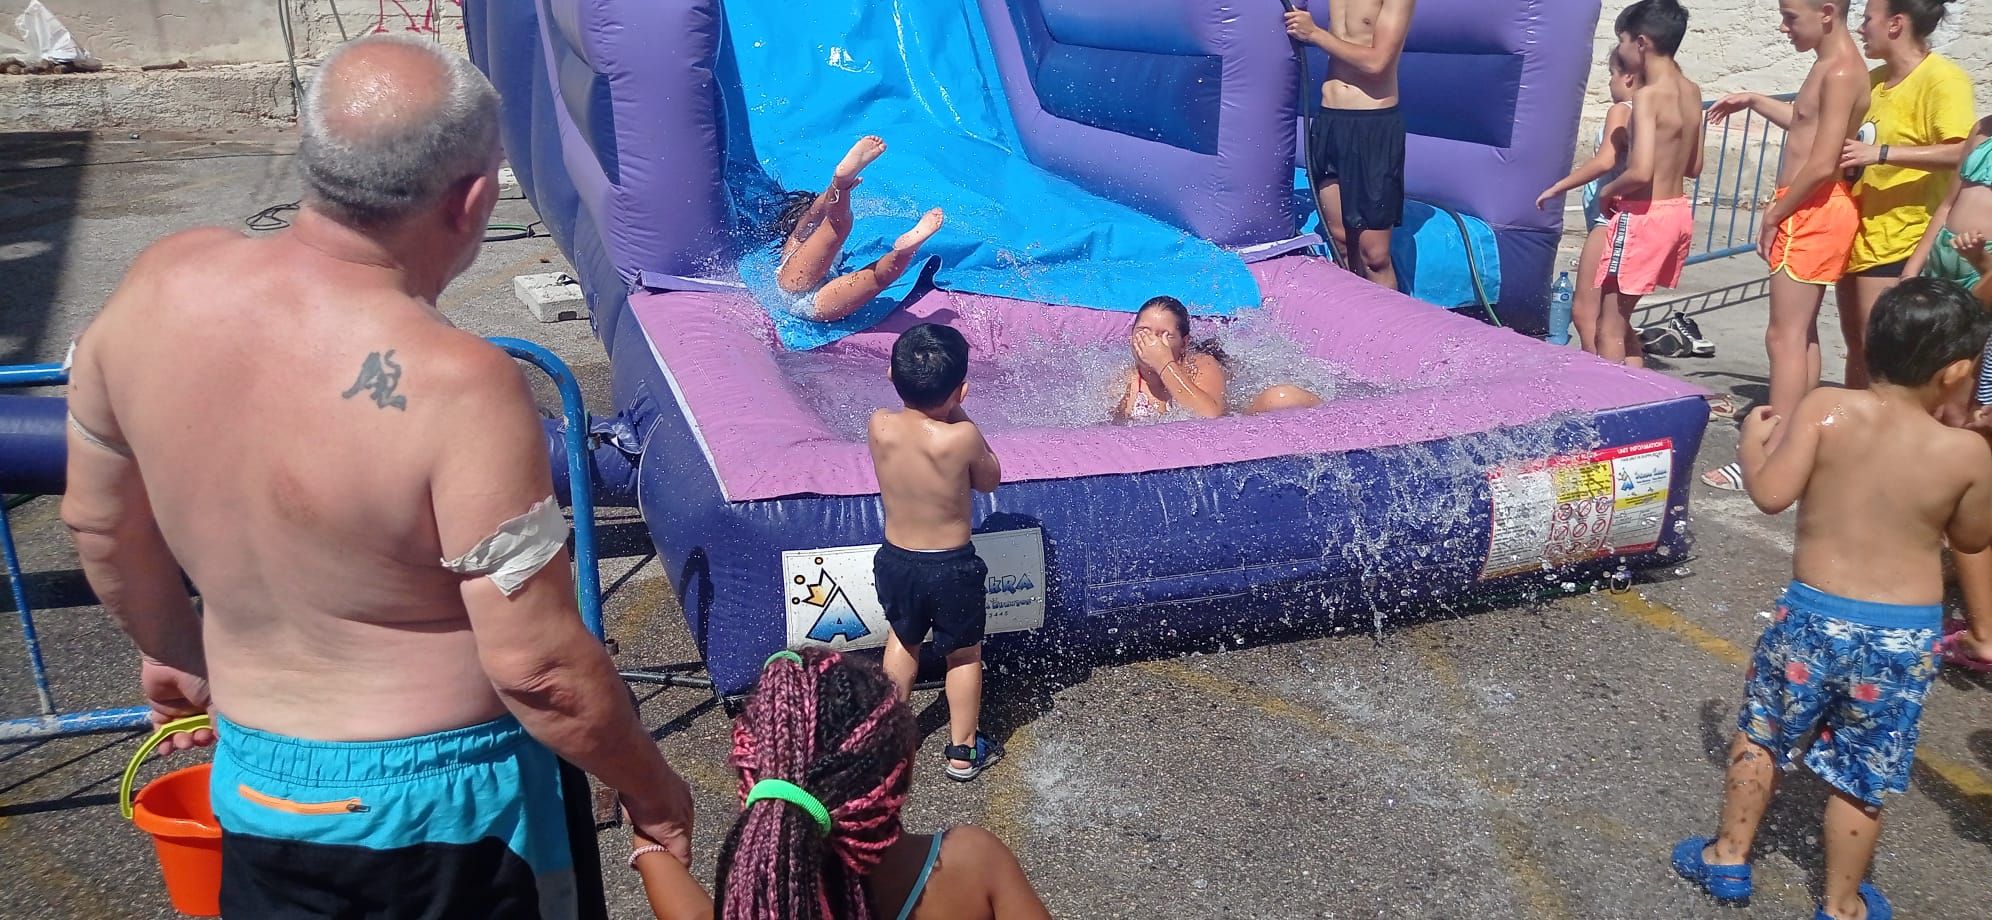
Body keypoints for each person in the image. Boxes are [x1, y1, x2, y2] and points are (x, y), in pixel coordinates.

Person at [59, 35, 694, 916]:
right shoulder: (459, 384)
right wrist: (653, 787)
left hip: (256, 779)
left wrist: (173, 648)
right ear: (472, 200)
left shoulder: (157, 287)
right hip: (444, 818)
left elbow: (96, 523)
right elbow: (539, 668)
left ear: (313, 151)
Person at [1670, 278, 1992, 920]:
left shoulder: (1824, 410)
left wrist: (1751, 446)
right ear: (1957, 370)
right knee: (1864, 773)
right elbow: (1975, 536)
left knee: (1763, 732)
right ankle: (1841, 903)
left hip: (1814, 617)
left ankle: (1729, 858)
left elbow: (1770, 495)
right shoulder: (1965, 453)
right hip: (1902, 637)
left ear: (1871, 346)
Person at [632, 649, 1052, 919]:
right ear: (902, 770)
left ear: (754, 786)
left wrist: (649, 842)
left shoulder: (759, 904)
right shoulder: (972, 863)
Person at [1699, 0, 1869, 491]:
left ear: (1827, 12)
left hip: (1811, 207)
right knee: (1800, 333)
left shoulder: (1839, 70)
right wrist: (1754, 100)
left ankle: (1774, 451)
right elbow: (1803, 123)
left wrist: (1774, 214)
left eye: (1791, 16)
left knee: (1784, 336)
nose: (1784, 25)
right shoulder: (1830, 63)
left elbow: (1820, 161)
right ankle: (1797, 439)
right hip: (1809, 205)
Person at [867, 324, 1003, 781]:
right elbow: (989, 479)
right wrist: (959, 409)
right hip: (950, 566)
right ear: (960, 389)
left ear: (890, 373)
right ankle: (962, 751)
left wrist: (946, 400)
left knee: (902, 641)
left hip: (897, 560)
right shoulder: (961, 437)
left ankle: (887, 741)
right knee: (963, 654)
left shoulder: (879, 424)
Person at [1838, 0, 1975, 387]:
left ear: (1896, 24)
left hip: (1902, 238)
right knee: (1857, 347)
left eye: (1867, 20)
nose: (1861, 29)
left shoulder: (1942, 79)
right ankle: (1855, 432)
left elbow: (1963, 150)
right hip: (1859, 234)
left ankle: (1882, 438)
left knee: (1882, 355)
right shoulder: (1874, 79)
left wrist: (1881, 153)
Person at [1594, 0, 1704, 369]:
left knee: (1606, 329)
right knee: (1623, 326)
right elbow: (1694, 165)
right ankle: (1635, 401)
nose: (1621, 50)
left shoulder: (1646, 97)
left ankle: (1610, 413)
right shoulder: (1691, 91)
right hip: (1675, 213)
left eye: (1622, 41)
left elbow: (1640, 172)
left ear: (1640, 43)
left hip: (1642, 217)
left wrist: (1606, 192)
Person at [1283, 0, 1416, 292]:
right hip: (1330, 121)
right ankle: (1358, 326)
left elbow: (1378, 63)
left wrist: (1315, 34)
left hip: (1372, 126)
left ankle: (1389, 332)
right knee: (1341, 242)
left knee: (1375, 256)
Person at [772, 136, 946, 323]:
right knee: (837, 225)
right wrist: (837, 188)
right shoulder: (796, 240)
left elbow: (821, 209)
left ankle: (905, 251)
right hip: (801, 286)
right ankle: (842, 182)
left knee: (879, 278)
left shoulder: (814, 247)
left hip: (816, 302)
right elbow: (817, 209)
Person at [1536, 47, 1641, 355]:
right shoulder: (1660, 110)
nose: (1610, 83)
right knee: (1617, 320)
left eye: (1612, 74)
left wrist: (1560, 186)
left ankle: (1598, 386)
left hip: (1609, 219)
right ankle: (1639, 388)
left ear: (1628, 76)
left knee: (1586, 314)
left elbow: (1605, 161)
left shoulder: (1623, 110)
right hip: (1631, 219)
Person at [1112, 296, 1323, 421]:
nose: (1152, 343)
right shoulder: (1125, 381)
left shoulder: (1200, 366)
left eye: (1164, 335)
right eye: (1144, 332)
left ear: (1184, 343)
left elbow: (1209, 417)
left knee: (1282, 396)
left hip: (1228, 437)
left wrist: (1163, 362)